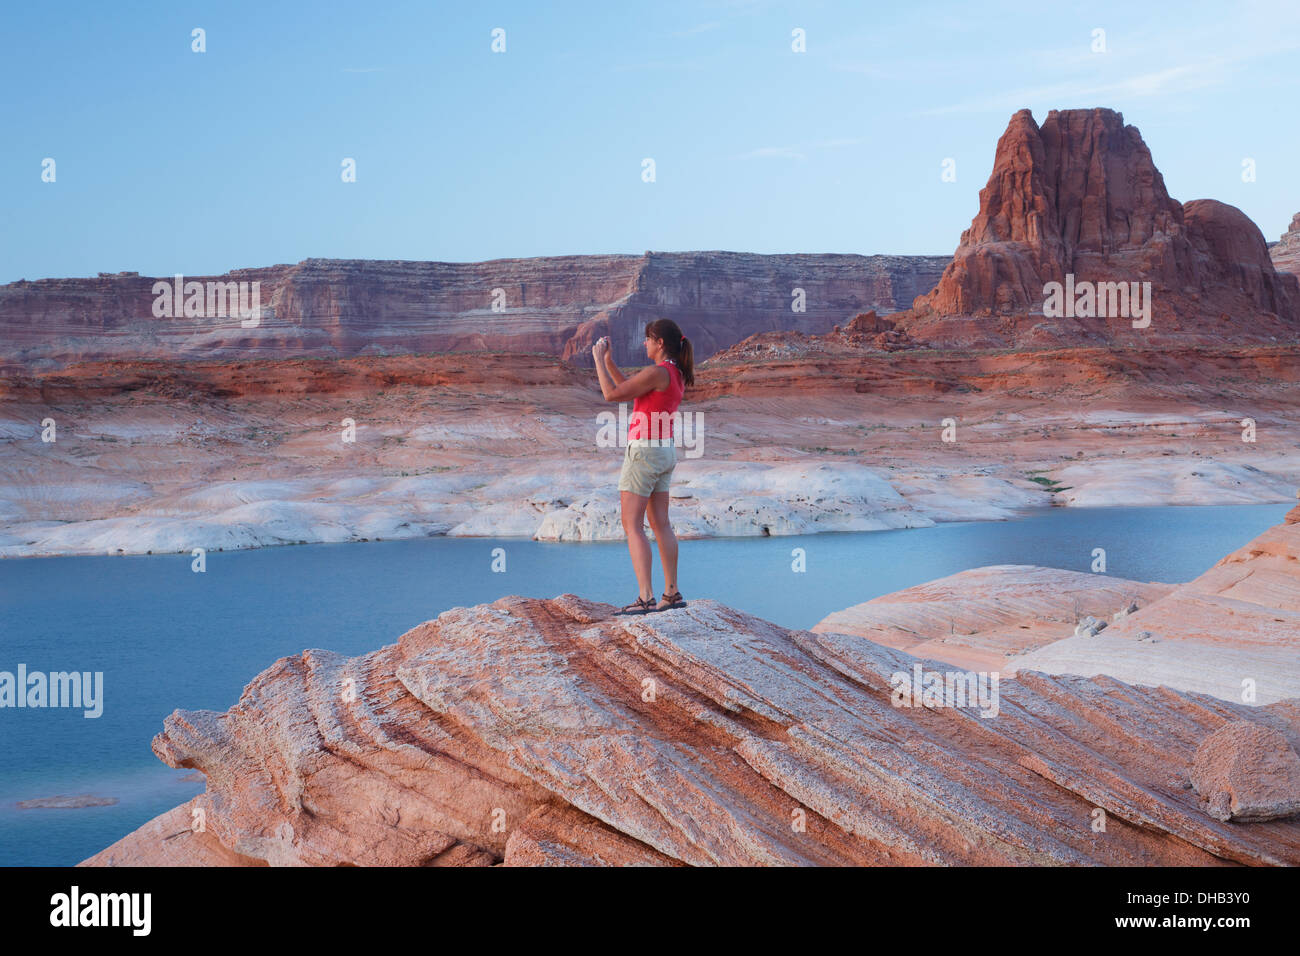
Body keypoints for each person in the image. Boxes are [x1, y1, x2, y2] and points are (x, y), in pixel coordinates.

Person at [592, 319, 695, 615]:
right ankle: (671, 593)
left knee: (632, 525)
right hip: (665, 450)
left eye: (648, 339)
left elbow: (612, 395)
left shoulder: (656, 372)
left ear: (660, 343)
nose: (644, 344)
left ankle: (646, 597)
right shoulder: (674, 374)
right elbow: (632, 390)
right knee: (661, 524)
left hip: (644, 452)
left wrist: (598, 360)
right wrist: (611, 362)